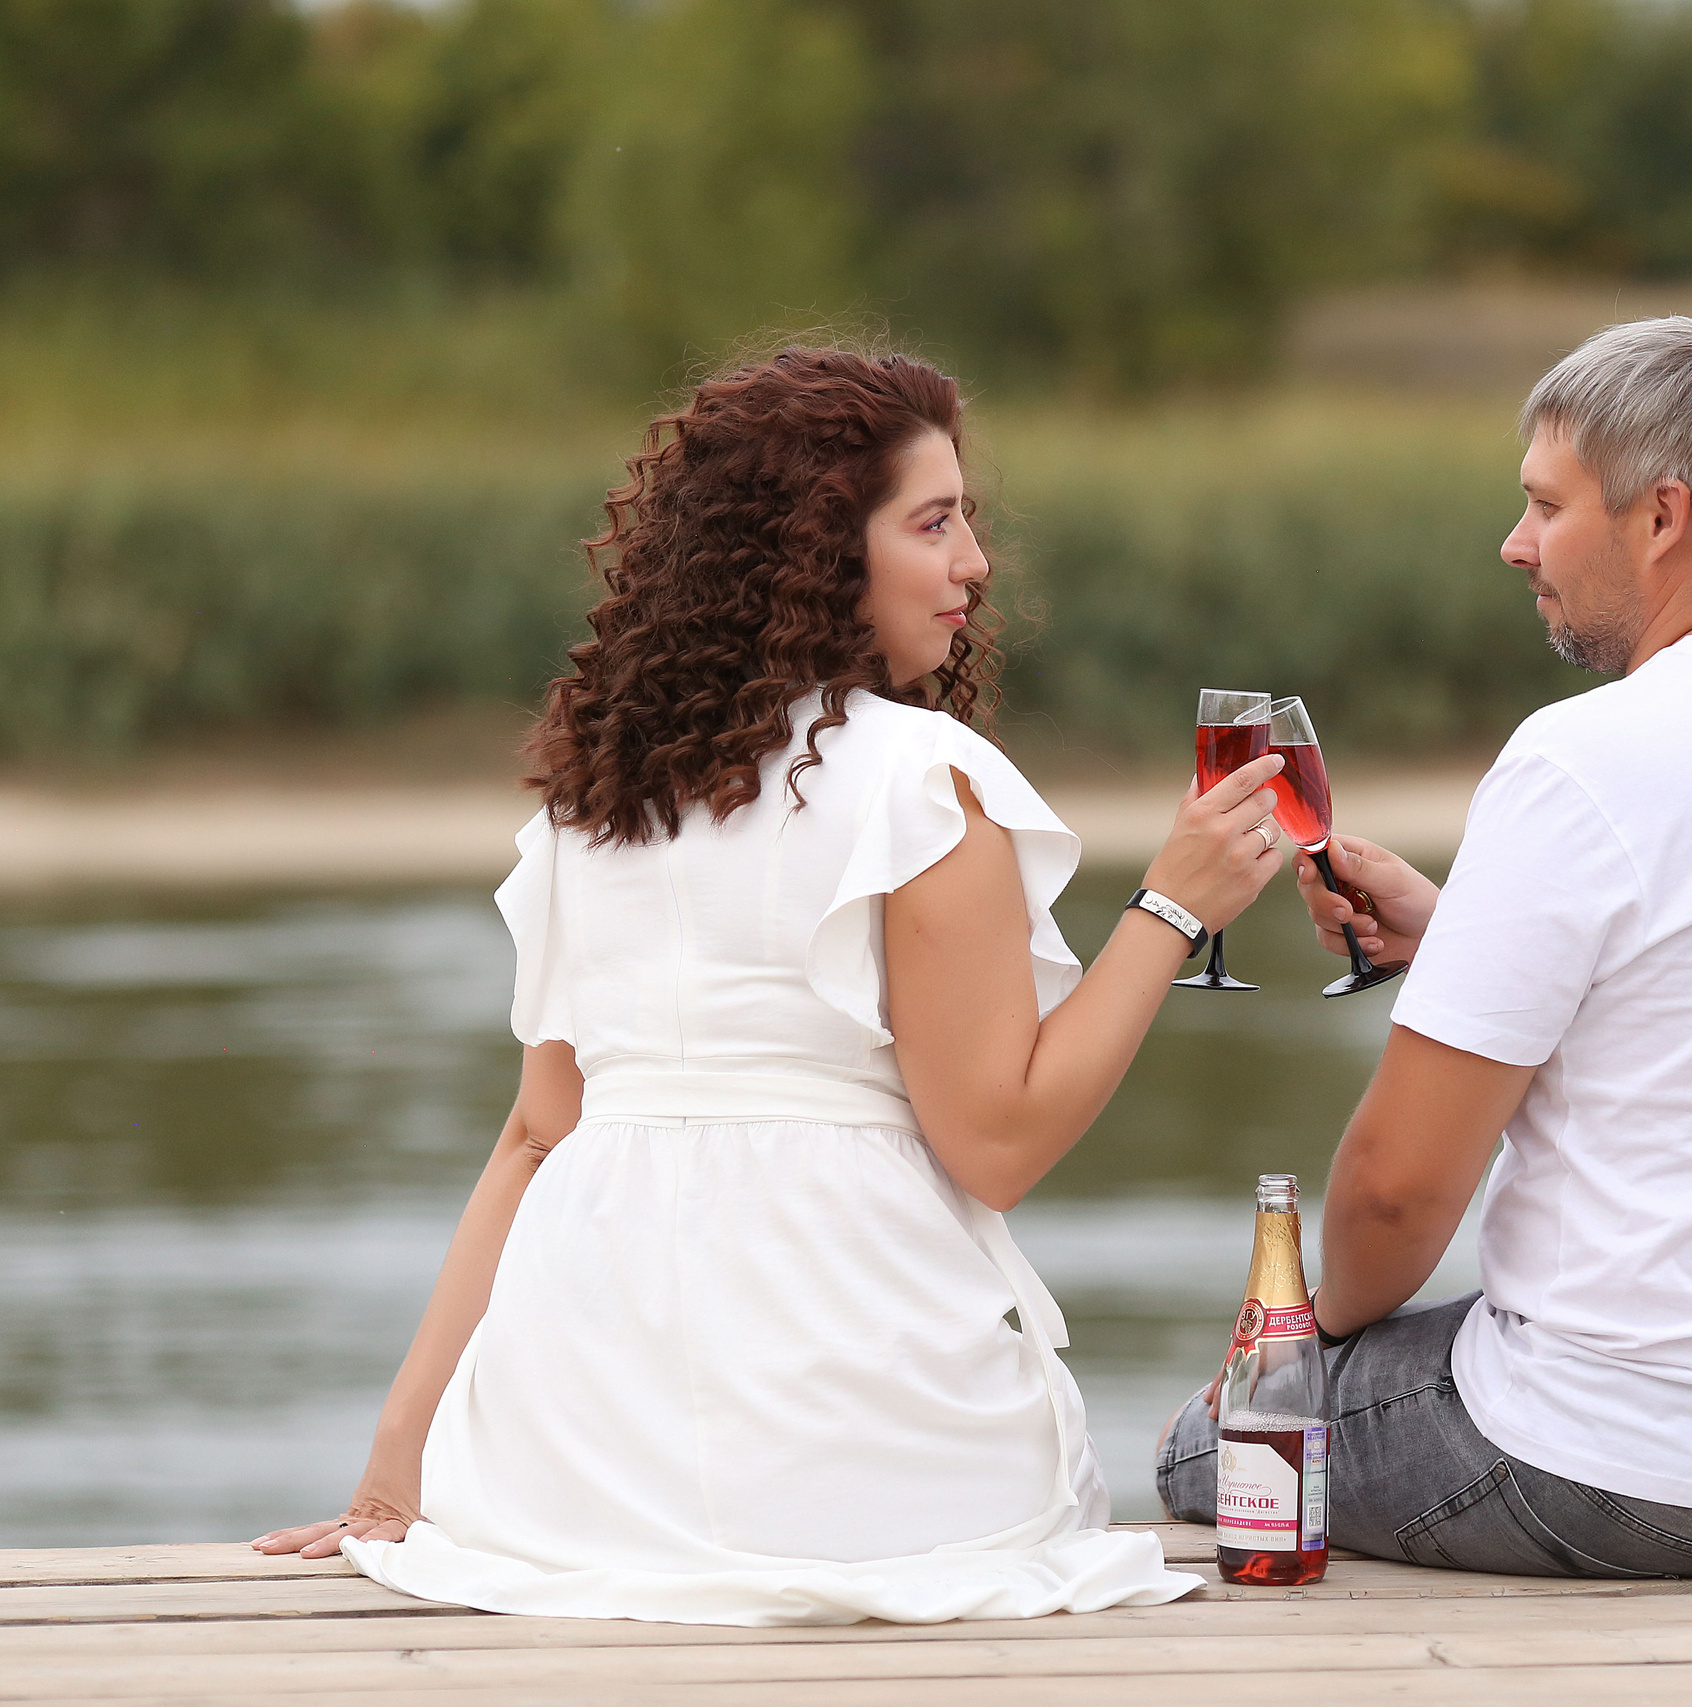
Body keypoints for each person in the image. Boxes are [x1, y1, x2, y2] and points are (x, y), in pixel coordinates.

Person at [252, 345, 1290, 1625]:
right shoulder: (919, 781)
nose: (974, 562)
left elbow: (534, 1137)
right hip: (867, 1463)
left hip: (565, 1475)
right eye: (934, 523)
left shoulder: (596, 804)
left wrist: (393, 1479)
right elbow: (998, 1144)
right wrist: (1173, 907)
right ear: (820, 550)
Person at [1160, 317, 1692, 1577]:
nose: (1516, 544)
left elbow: (1395, 1193)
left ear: (1661, 517)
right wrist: (1462, 937)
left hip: (1622, 1468)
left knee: (1212, 1443)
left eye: (1545, 506)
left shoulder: (1581, 758)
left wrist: (1306, 1344)